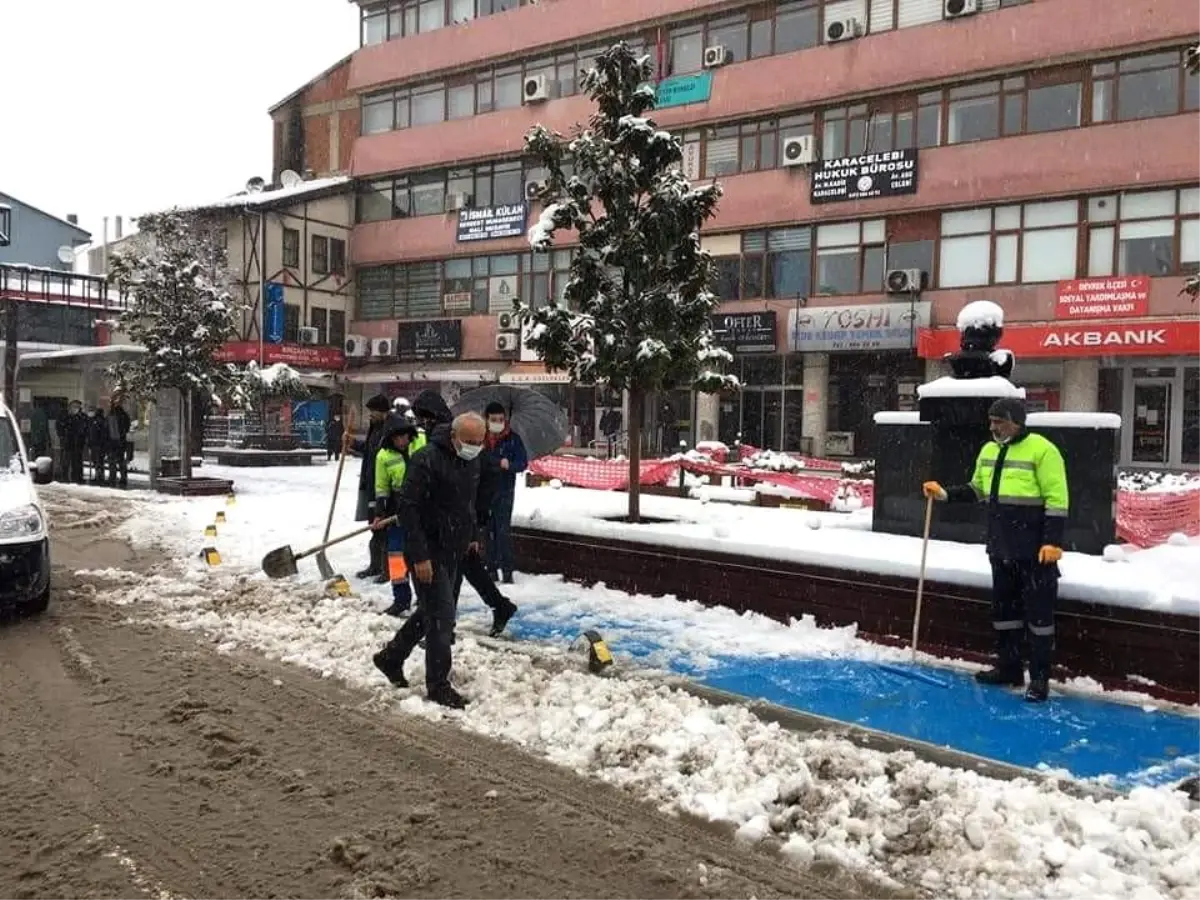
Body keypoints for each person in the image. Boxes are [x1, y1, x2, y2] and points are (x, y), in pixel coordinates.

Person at [922, 397, 1069, 703]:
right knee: (1004, 613)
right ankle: (1009, 668)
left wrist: (1052, 541)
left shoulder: (1043, 450)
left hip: (1034, 551)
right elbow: (978, 489)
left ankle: (1039, 679)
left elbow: (1057, 499)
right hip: (1001, 547)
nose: (993, 427)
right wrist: (946, 494)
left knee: (1039, 618)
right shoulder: (989, 450)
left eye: (999, 421)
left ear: (1016, 421)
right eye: (991, 421)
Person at [372, 412, 488, 709]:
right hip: (427, 550)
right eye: (470, 441)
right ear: (453, 436)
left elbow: (467, 503)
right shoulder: (426, 459)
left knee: (431, 612)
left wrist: (472, 533)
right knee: (442, 618)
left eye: (480, 441)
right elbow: (408, 511)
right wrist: (420, 556)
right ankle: (438, 685)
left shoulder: (471, 460)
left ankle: (390, 657)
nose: (476, 446)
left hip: (454, 548)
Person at [454, 446, 519, 637]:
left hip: (462, 521)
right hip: (459, 520)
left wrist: (475, 528)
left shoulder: (475, 458)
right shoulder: (460, 456)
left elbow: (477, 496)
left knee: (455, 569)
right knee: (467, 567)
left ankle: (445, 624)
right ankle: (500, 606)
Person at [373, 412, 420, 617]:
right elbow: (382, 488)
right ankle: (401, 598)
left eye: (405, 436)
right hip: (397, 510)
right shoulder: (383, 456)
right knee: (396, 558)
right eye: (397, 437)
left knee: (421, 555)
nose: (402, 441)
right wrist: (380, 514)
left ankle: (425, 598)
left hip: (421, 508)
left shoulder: (420, 444)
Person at [483, 401, 528, 584]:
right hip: (485, 491)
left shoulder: (513, 439)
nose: (498, 423)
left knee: (502, 532)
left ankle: (507, 571)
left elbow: (522, 462)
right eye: (494, 419)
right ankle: (491, 568)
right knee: (487, 532)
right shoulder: (480, 438)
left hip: (504, 490)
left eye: (501, 419)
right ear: (486, 420)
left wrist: (509, 465)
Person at [352, 394, 393, 582]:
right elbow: (369, 450)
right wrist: (352, 443)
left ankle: (390, 570)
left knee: (386, 531)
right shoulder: (375, 429)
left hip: (385, 489)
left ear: (383, 412)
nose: (370, 415)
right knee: (374, 528)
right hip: (371, 485)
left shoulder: (390, 431)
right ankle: (375, 565)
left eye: (373, 412)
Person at [59, 401, 87, 484]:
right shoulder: (66, 417)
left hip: (78, 444)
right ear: (70, 407)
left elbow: (84, 430)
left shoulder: (82, 417)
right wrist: (62, 436)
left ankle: (77, 477)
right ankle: (65, 477)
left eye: (77, 407)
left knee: (77, 461)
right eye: (74, 406)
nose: (76, 408)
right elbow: (60, 427)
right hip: (68, 443)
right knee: (66, 461)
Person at [106, 396, 132, 488]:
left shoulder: (111, 415)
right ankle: (122, 478)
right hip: (119, 441)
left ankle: (113, 478)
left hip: (113, 442)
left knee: (113, 461)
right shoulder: (123, 415)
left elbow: (107, 429)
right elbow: (126, 428)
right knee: (120, 462)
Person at [86, 406, 107, 484]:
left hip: (97, 444)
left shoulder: (96, 421)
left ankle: (99, 476)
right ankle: (99, 476)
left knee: (97, 461)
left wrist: (91, 443)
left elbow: (94, 434)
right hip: (99, 444)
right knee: (99, 461)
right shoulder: (99, 421)